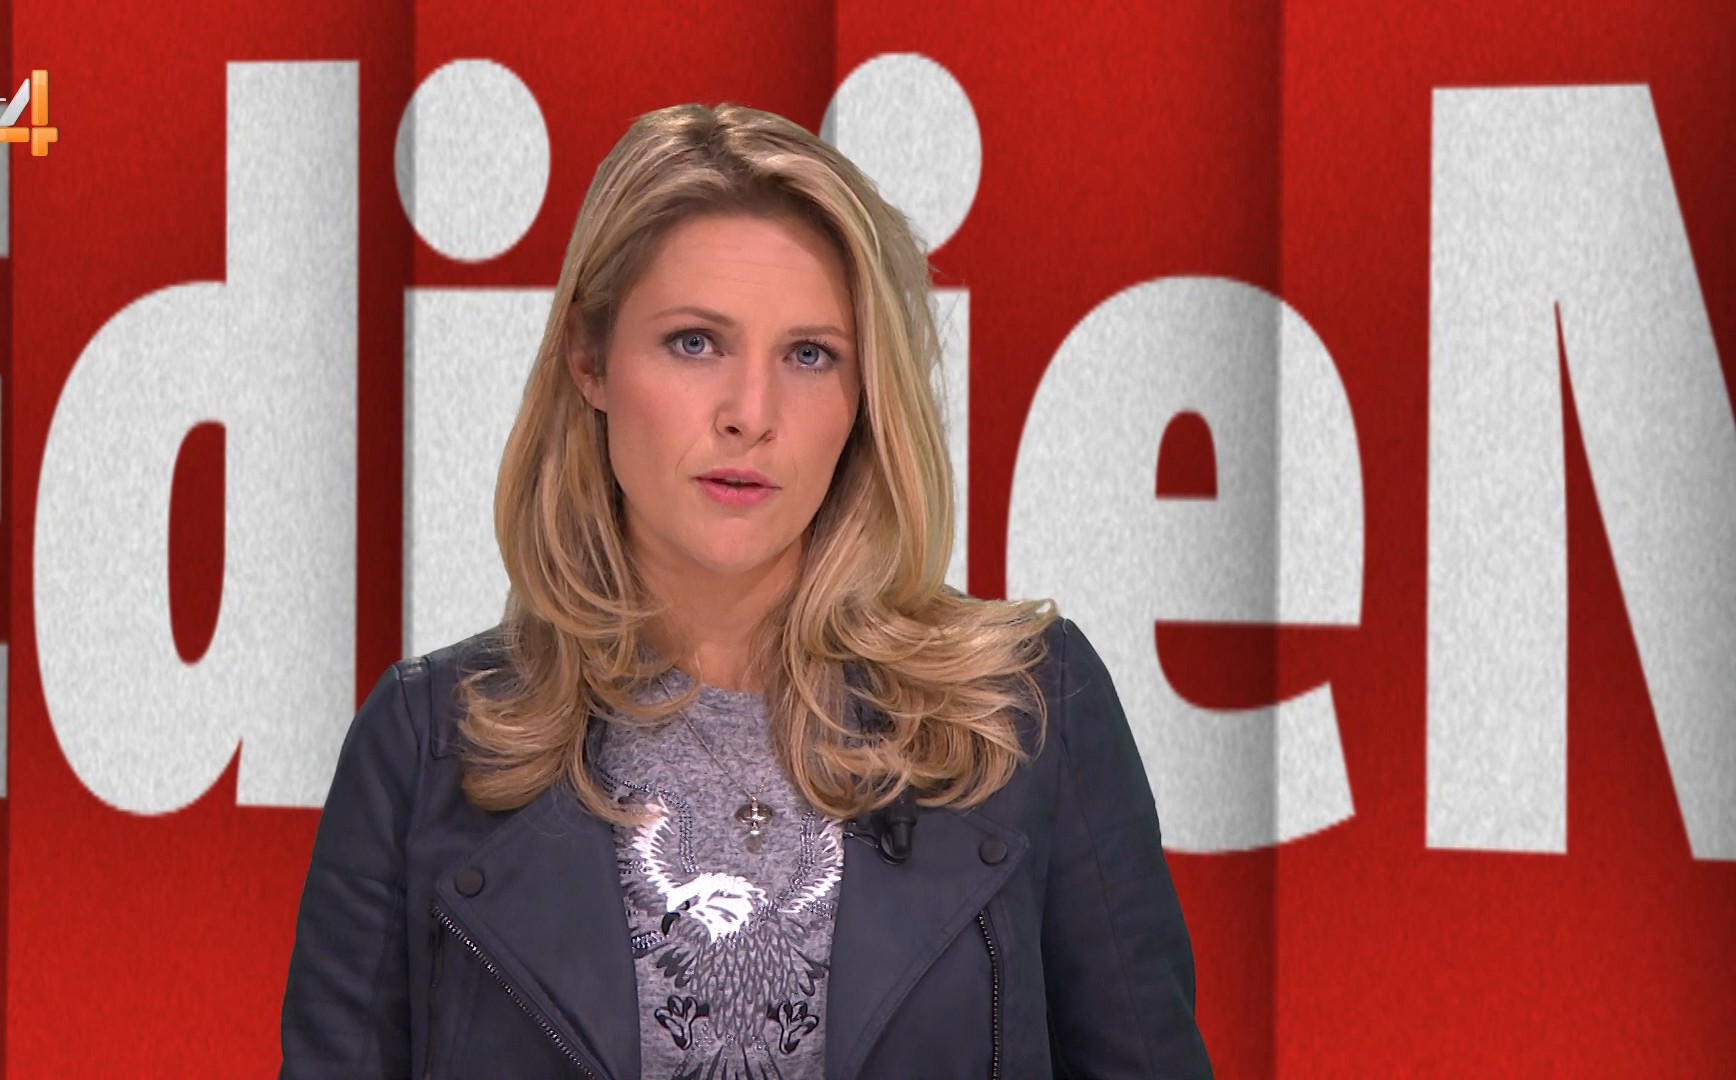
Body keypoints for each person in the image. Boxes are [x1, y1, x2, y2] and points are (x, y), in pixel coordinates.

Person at [278, 101, 1212, 1080]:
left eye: (810, 355)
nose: (751, 414)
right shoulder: (425, 746)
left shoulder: (1027, 713)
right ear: (589, 361)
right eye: (695, 342)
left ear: (864, 399)